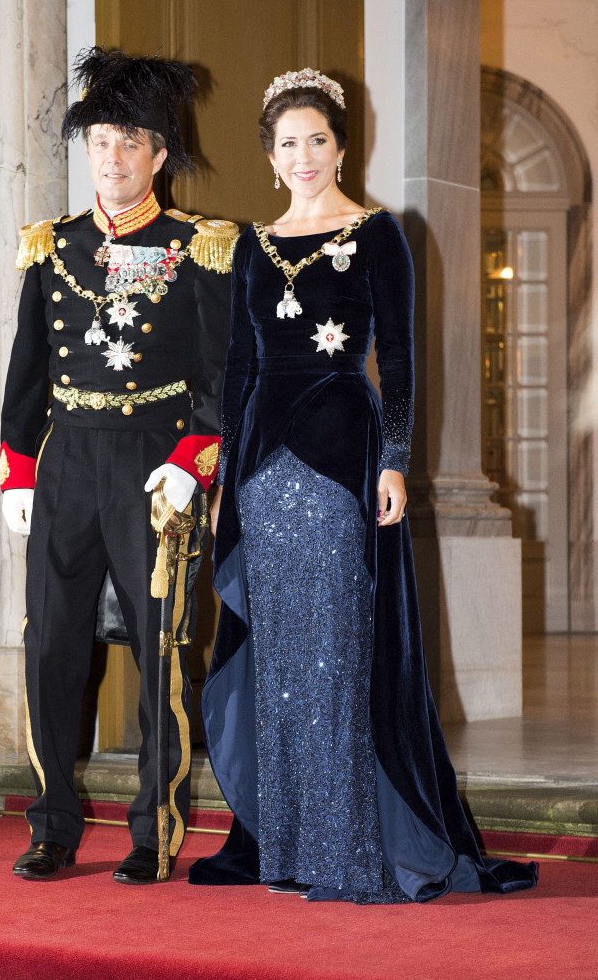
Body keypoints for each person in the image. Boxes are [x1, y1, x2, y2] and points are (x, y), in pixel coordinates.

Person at [188, 69, 538, 902]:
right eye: (286, 143)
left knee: (337, 652)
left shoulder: (380, 233)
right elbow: (238, 367)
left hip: (343, 451)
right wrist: (221, 473)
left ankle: (349, 848)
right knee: (277, 661)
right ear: (270, 158)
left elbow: (404, 360)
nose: (303, 155)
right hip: (263, 471)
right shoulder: (250, 245)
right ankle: (290, 845)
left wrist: (394, 459)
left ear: (341, 147)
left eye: (317, 139)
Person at [0, 48, 236, 883]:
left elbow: (218, 378)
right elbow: (27, 373)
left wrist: (190, 460)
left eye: (131, 141)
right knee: (51, 645)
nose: (113, 156)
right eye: (101, 140)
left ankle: (153, 828)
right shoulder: (50, 247)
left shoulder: (199, 248)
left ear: (160, 154)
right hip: (66, 464)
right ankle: (53, 825)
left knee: (159, 648)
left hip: (153, 467)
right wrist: (17, 469)